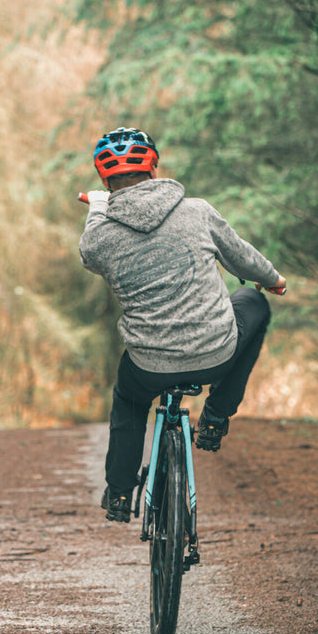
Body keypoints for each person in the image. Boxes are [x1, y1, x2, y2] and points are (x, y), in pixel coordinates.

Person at [79, 127, 286, 523]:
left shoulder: (100, 236)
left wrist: (99, 208)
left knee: (128, 400)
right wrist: (273, 279)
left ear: (105, 181)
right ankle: (216, 417)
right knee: (253, 302)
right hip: (215, 354)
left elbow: (89, 254)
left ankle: (120, 494)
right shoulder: (198, 212)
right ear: (154, 169)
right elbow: (244, 260)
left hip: (149, 366)